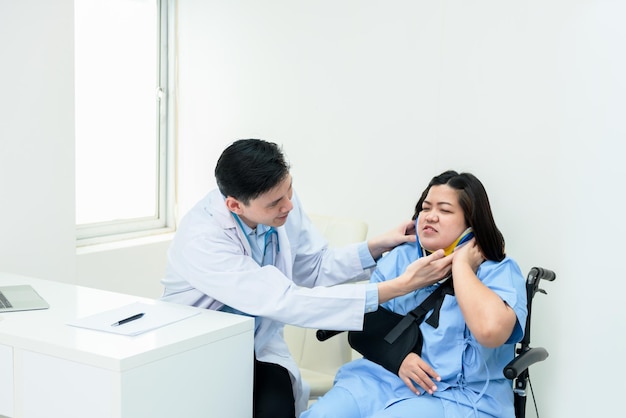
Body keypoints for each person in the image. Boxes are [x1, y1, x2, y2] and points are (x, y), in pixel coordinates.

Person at [160, 139, 454, 418]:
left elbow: (314, 266)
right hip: (202, 348)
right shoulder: (203, 239)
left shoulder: (279, 200)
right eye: (276, 202)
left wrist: (376, 247)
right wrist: (399, 287)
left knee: (277, 408)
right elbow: (285, 300)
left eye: (289, 190)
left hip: (257, 343)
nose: (288, 205)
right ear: (235, 206)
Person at [301, 170, 528, 418]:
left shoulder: (499, 272)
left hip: (459, 396)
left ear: (472, 223)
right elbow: (364, 320)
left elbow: (490, 332)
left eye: (445, 210)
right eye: (426, 208)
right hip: (381, 376)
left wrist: (462, 267)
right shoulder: (402, 256)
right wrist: (397, 358)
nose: (430, 216)